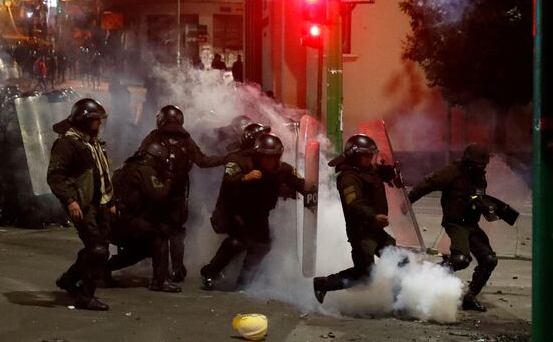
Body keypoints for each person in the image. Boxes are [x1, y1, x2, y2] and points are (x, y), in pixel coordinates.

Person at [200, 132, 308, 290]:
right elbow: (229, 180)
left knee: (263, 246)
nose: (270, 161)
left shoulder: (283, 169)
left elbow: (300, 183)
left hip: (259, 215)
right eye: (266, 157)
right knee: (239, 241)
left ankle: (245, 281)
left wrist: (310, 191)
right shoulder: (241, 162)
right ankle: (210, 272)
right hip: (233, 212)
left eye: (274, 157)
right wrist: (245, 178)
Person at [138, 105, 225, 282]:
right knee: (176, 232)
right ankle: (177, 270)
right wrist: (226, 158)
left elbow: (139, 161)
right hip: (178, 195)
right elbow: (202, 161)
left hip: (157, 195)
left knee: (160, 233)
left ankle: (161, 274)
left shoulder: (154, 137)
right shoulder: (185, 139)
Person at [408, 143, 497, 312]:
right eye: (479, 164)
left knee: (489, 260)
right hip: (456, 223)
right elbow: (427, 184)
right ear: (469, 162)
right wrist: (407, 202)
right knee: (460, 259)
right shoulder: (452, 172)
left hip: (471, 224)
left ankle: (470, 298)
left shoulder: (479, 177)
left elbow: (477, 197)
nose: (482, 167)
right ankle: (429, 274)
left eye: (484, 164)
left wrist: (489, 207)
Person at [313, 134, 399, 304]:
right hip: (361, 234)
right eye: (364, 156)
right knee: (365, 275)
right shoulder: (348, 178)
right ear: (354, 156)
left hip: (374, 229)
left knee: (399, 260)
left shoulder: (366, 170)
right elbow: (354, 205)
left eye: (370, 156)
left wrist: (390, 172)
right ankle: (323, 283)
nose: (369, 160)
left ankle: (401, 301)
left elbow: (375, 173)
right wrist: (374, 217)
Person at [47, 98, 115, 311]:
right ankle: (85, 296)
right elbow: (55, 176)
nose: (99, 124)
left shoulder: (91, 142)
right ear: (84, 120)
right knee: (97, 250)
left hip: (99, 202)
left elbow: (102, 174)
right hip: (83, 204)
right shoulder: (67, 144)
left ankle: (69, 279)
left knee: (100, 249)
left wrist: (110, 200)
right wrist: (70, 200)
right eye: (95, 120)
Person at [108, 142, 181, 292]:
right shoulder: (145, 170)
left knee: (143, 249)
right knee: (159, 234)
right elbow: (158, 194)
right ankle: (160, 281)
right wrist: (168, 179)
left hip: (114, 221)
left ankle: (102, 269)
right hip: (126, 222)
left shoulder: (126, 166)